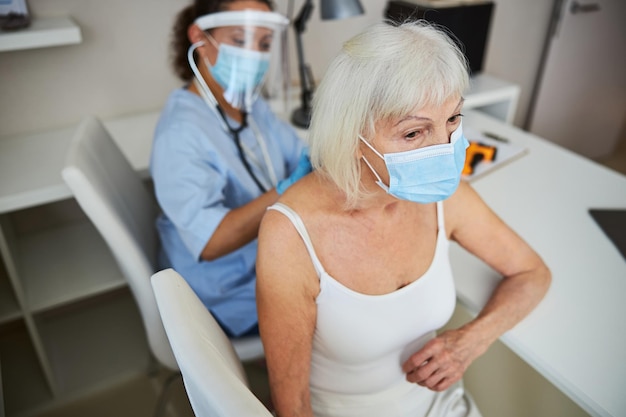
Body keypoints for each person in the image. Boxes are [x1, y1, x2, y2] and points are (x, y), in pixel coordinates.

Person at [256, 21, 551, 417]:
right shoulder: (290, 235)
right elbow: (291, 407)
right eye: (413, 133)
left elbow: (532, 273)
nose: (444, 150)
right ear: (352, 132)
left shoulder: (445, 196)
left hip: (443, 405)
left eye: (452, 120)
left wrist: (470, 341)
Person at [150, 0, 310, 338]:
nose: (253, 54)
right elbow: (211, 242)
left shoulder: (248, 104)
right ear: (200, 38)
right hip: (228, 288)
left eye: (263, 43)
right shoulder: (181, 133)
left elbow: (297, 155)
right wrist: (285, 191)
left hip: (269, 254)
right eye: (240, 40)